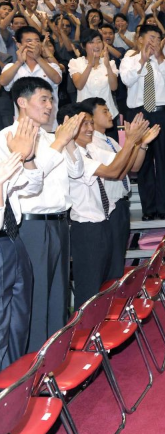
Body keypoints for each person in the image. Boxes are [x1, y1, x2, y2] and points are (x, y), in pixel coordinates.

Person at [0, 77, 84, 351]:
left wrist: (68, 142)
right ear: (22, 103)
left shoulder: (52, 137)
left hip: (60, 223)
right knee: (35, 303)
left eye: (52, 100)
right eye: (44, 100)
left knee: (58, 300)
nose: (50, 106)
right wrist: (59, 144)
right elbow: (27, 182)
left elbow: (77, 172)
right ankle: (34, 370)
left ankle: (57, 366)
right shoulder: (7, 138)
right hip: (31, 227)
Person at [59, 104, 153, 307]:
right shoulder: (72, 155)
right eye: (84, 124)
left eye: (90, 123)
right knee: (90, 291)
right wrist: (131, 141)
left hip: (104, 222)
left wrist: (136, 143)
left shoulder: (91, 149)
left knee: (110, 284)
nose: (90, 128)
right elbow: (112, 172)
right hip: (86, 229)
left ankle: (105, 331)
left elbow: (122, 170)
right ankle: (86, 336)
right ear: (68, 125)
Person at [84, 97, 154, 281]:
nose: (111, 115)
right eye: (105, 111)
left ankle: (117, 304)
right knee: (111, 265)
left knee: (118, 259)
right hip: (109, 208)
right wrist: (133, 141)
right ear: (91, 117)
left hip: (121, 204)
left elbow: (133, 168)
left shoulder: (110, 141)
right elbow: (117, 170)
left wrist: (141, 144)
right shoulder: (91, 144)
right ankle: (111, 305)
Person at [119, 24, 165, 221]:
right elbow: (127, 80)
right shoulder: (129, 61)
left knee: (163, 162)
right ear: (140, 38)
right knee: (142, 164)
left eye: (158, 38)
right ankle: (149, 210)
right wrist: (142, 61)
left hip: (161, 115)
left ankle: (164, 208)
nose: (154, 42)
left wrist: (159, 58)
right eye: (151, 37)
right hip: (139, 115)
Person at [0, 116, 42, 370]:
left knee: (18, 320)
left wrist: (26, 158)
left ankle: (14, 385)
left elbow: (32, 185)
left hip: (13, 239)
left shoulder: (6, 142)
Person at [68, 30, 120, 141]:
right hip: (85, 117)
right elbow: (79, 85)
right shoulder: (76, 63)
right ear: (83, 45)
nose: (96, 45)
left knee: (112, 150)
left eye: (98, 41)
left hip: (108, 115)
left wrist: (107, 66)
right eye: (91, 42)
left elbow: (114, 87)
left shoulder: (110, 63)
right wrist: (90, 65)